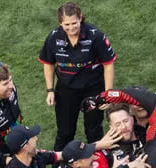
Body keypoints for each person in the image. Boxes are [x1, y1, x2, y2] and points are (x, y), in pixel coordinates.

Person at [40, 2, 117, 150]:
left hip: (93, 88)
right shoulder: (53, 37)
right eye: (66, 24)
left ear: (80, 18)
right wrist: (50, 90)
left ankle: (99, 167)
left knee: (94, 131)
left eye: (74, 23)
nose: (71, 28)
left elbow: (108, 65)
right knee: (65, 132)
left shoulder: (96, 36)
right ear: (60, 23)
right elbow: (48, 63)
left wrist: (107, 94)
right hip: (66, 89)